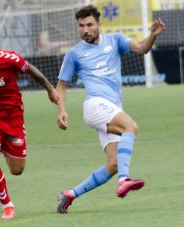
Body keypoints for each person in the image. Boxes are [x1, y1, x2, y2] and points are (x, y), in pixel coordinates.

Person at [55, 5, 165, 213]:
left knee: (113, 164)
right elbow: (61, 85)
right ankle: (124, 180)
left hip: (111, 107)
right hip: (95, 105)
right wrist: (61, 111)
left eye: (89, 25)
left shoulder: (115, 40)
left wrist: (152, 35)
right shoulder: (74, 54)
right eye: (81, 26)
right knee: (130, 127)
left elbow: (142, 48)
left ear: (99, 25)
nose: (85, 30)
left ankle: (70, 194)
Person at [0, 25, 58, 220]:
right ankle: (7, 205)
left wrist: (50, 89)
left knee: (17, 170)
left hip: (13, 117)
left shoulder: (9, 59)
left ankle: (5, 147)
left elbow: (31, 70)